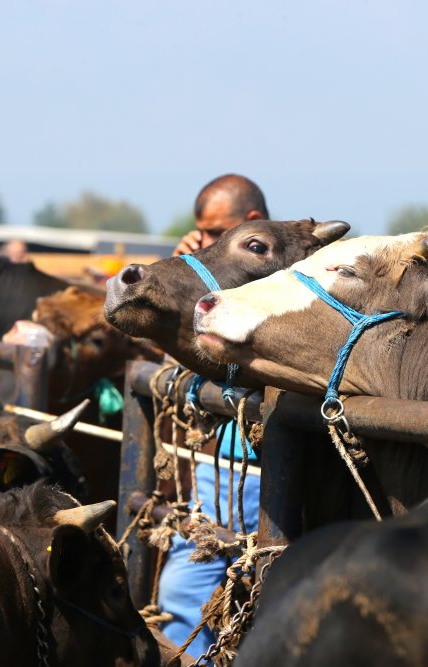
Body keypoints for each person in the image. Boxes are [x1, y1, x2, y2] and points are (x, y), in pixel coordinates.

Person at [158, 175, 268, 656]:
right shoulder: (211, 273)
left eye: (217, 233)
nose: (205, 242)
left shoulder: (284, 279)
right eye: (201, 232)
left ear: (251, 224)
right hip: (218, 461)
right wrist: (184, 274)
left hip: (266, 465)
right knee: (185, 588)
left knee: (265, 593)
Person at [172, 174, 269, 256]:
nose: (204, 244)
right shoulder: (194, 251)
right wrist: (180, 267)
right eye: (201, 233)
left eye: (216, 233)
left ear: (254, 222)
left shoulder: (277, 270)